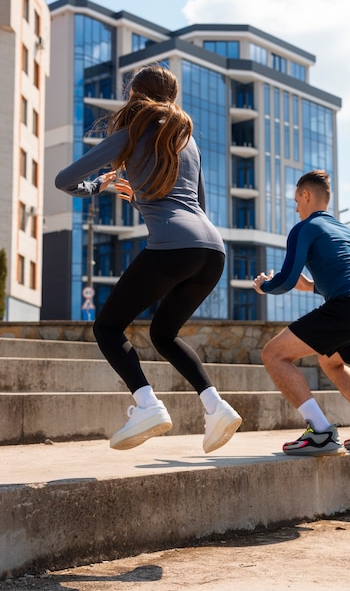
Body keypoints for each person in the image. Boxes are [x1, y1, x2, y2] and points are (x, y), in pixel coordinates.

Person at [55, 64, 242, 453]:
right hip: (212, 250)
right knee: (163, 334)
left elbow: (65, 179)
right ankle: (216, 406)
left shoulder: (131, 133)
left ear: (135, 97)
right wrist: (142, 197)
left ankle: (146, 404)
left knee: (107, 328)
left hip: (173, 245)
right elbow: (194, 205)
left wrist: (97, 186)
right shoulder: (187, 141)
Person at [253, 169, 350, 456]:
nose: (296, 208)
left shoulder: (305, 228)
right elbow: (344, 275)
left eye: (296, 200)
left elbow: (285, 279)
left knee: (274, 354)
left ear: (306, 195)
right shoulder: (346, 230)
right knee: (332, 362)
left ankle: (320, 432)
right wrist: (309, 287)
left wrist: (265, 287)